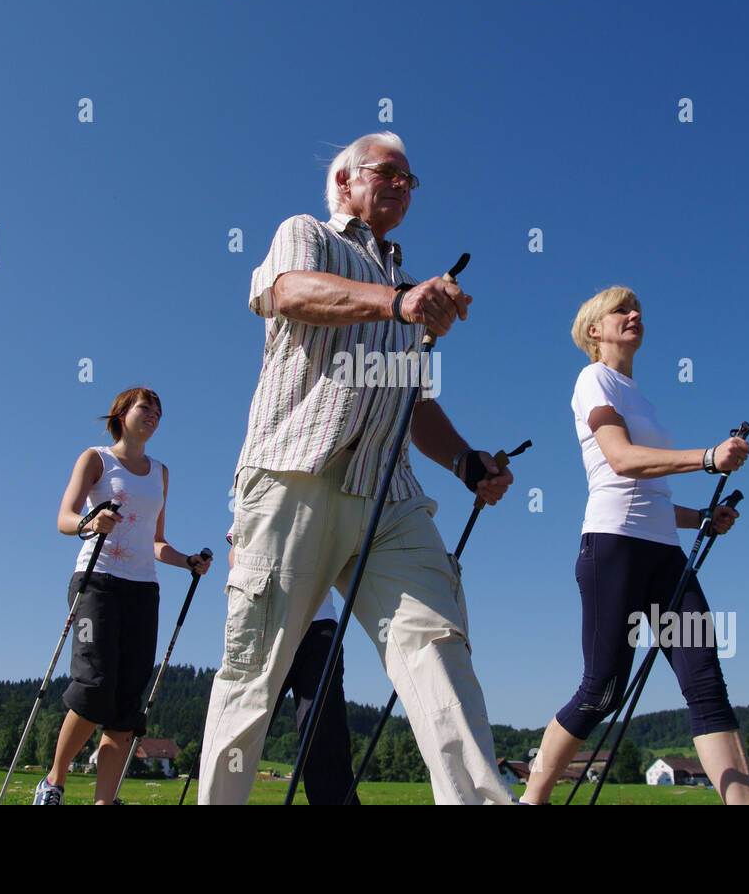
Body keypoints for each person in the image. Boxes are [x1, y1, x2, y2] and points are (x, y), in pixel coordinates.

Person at [198, 131, 516, 805]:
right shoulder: (309, 234)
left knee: (439, 651)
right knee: (253, 674)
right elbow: (287, 292)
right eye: (388, 173)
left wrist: (465, 461)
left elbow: (416, 404)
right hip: (295, 476)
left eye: (411, 180)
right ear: (345, 182)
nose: (403, 185)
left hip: (389, 498)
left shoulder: (408, 287)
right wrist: (396, 303)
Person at [520, 287, 749, 805]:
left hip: (664, 554)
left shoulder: (641, 397)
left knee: (705, 682)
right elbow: (622, 461)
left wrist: (700, 519)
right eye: (621, 311)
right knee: (602, 690)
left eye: (639, 312)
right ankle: (532, 798)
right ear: (594, 330)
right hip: (614, 549)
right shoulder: (592, 380)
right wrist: (708, 457)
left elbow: (649, 490)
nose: (634, 316)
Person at [33, 387, 211, 805]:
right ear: (121, 413)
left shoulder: (160, 472)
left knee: (128, 704)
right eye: (145, 407)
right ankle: (53, 782)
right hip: (97, 580)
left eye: (158, 412)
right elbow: (64, 517)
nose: (153, 415)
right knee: (95, 687)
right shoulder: (96, 458)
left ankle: (104, 800)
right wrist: (92, 522)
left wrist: (186, 560)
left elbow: (155, 540)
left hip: (142, 589)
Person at [230, 535, 359, 805]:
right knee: (242, 730)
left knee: (324, 733)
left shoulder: (325, 499)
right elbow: (237, 552)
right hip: (267, 621)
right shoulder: (258, 495)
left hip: (319, 627)